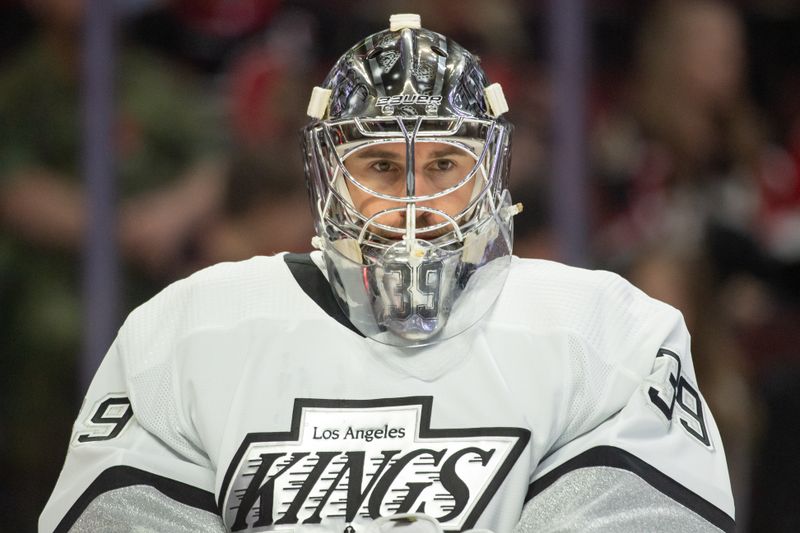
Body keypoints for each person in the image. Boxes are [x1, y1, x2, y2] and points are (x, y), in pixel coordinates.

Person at [40, 14, 735, 532]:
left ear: (491, 172)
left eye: (444, 165)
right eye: (379, 165)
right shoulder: (185, 332)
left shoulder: (607, 334)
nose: (414, 200)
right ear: (325, 177)